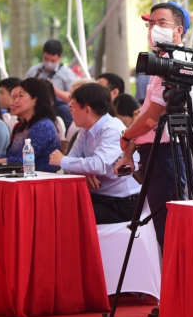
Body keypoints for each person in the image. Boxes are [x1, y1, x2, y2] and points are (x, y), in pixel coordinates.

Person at [115, 1, 193, 247]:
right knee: (165, 230)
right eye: (150, 23)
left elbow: (153, 117)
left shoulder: (178, 62)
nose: (154, 28)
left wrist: (126, 136)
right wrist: (132, 145)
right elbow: (148, 114)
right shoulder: (162, 61)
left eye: (161, 22)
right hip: (159, 153)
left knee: (171, 232)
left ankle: (178, 282)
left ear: (179, 30)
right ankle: (172, 281)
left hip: (168, 153)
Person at [50, 83, 141, 224]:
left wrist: (61, 160)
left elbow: (97, 166)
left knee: (66, 213)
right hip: (99, 197)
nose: (71, 112)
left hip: (122, 203)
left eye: (73, 108)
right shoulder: (85, 130)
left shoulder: (112, 129)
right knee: (52, 205)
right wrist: (83, 172)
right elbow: (73, 162)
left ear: (87, 110)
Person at [0, 78, 60, 172]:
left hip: (40, 180)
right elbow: (10, 156)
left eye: (20, 96)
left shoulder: (43, 125)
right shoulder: (22, 126)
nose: (14, 102)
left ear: (35, 100)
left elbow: (23, 160)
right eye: (14, 97)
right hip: (21, 176)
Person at [26, 39, 75, 126]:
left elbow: (74, 97)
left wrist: (55, 91)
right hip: (32, 110)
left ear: (60, 57)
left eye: (53, 60)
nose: (49, 63)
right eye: (46, 59)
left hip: (56, 111)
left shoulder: (67, 73)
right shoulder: (33, 71)